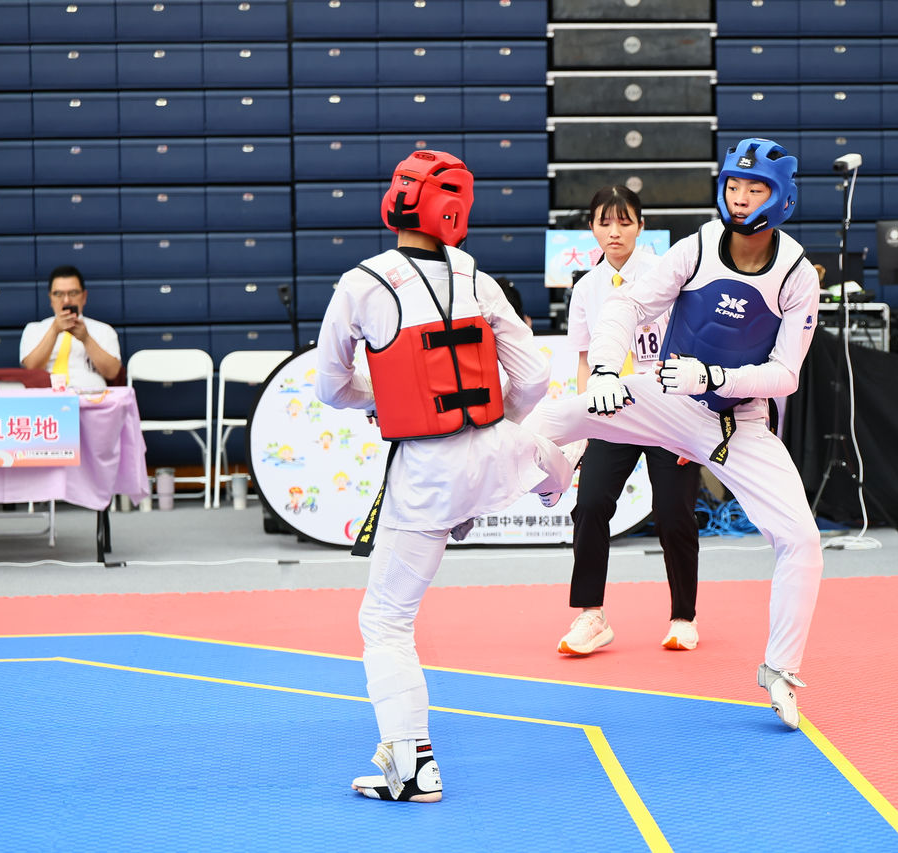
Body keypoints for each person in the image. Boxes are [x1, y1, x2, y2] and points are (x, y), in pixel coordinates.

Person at [525, 138, 824, 730]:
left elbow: (786, 375)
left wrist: (714, 377)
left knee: (802, 542)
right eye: (734, 186)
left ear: (782, 198)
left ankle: (781, 670)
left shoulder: (795, 273)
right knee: (548, 424)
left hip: (738, 424)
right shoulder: (697, 247)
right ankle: (535, 482)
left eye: (755, 189)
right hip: (665, 398)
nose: (740, 199)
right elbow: (627, 308)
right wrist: (605, 370)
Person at [315, 150, 580, 803]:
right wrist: (492, 420)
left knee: (385, 621)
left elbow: (330, 387)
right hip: (493, 452)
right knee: (518, 446)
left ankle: (412, 766)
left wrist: (386, 398)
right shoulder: (474, 276)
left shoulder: (361, 284)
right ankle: (546, 464)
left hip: (427, 473)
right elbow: (535, 375)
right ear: (455, 213)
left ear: (397, 202)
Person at [556, 186, 702, 656]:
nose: (614, 232)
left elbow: (690, 344)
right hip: (612, 411)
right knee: (590, 505)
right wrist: (583, 424)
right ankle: (591, 615)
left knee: (674, 513)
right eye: (604, 222)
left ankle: (683, 617)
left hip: (668, 410)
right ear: (591, 229)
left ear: (641, 225)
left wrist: (692, 423)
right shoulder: (586, 288)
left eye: (624, 221)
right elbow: (584, 361)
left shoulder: (665, 275)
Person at [18, 265, 121, 391]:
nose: (66, 301)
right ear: (51, 298)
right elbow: (31, 369)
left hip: (90, 394)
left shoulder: (103, 330)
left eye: (73, 293)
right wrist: (54, 330)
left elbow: (112, 373)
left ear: (84, 297)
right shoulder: (34, 329)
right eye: (58, 294)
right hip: (46, 395)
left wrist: (86, 339)